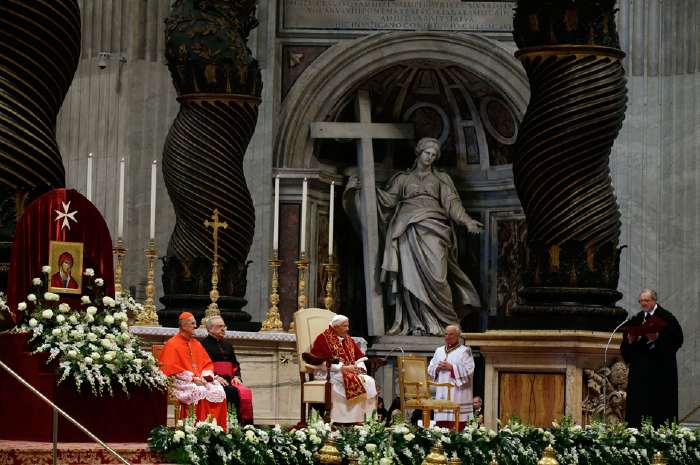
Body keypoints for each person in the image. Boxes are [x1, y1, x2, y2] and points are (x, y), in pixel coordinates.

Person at [345, 137, 483, 336]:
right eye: (427, 153)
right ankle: (416, 323)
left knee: (438, 275)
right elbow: (386, 201)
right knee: (409, 277)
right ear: (419, 153)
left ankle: (445, 322)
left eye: (434, 155)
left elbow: (452, 204)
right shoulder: (402, 179)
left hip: (434, 228)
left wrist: (468, 221)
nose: (430, 158)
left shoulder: (441, 179)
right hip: (406, 230)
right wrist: (363, 190)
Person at [620, 289, 683, 427]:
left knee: (660, 408)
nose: (643, 304)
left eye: (646, 301)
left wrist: (658, 338)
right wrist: (630, 341)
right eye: (641, 301)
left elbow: (678, 340)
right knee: (638, 408)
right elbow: (626, 348)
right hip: (640, 372)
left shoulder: (667, 318)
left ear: (654, 301)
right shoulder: (636, 319)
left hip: (660, 371)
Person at [159, 312, 228, 429]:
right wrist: (192, 378)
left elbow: (207, 364)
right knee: (199, 391)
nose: (195, 326)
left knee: (219, 390)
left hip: (200, 379)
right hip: (181, 381)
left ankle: (217, 429)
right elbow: (170, 368)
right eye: (192, 323)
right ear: (184, 326)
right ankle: (196, 429)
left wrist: (205, 376)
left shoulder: (196, 344)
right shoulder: (172, 344)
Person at [309, 314, 377, 423]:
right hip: (329, 373)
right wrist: (342, 368)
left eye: (347, 326)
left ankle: (364, 419)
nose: (348, 329)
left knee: (369, 381)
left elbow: (359, 357)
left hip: (348, 372)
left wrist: (359, 368)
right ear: (336, 327)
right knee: (347, 380)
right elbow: (319, 361)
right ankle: (342, 420)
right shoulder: (323, 339)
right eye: (345, 326)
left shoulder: (348, 339)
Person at [201, 316, 254, 425]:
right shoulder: (203, 345)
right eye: (220, 326)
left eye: (224, 326)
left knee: (245, 392)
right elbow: (203, 366)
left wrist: (236, 377)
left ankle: (246, 426)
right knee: (231, 391)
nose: (223, 329)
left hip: (230, 380)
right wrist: (215, 377)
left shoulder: (228, 345)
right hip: (213, 380)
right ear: (210, 329)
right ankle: (229, 424)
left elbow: (235, 365)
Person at [428, 324, 475, 429]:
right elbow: (430, 368)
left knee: (457, 425)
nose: (447, 337)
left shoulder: (465, 351)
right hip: (442, 392)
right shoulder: (439, 351)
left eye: (451, 334)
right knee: (441, 426)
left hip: (458, 393)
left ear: (458, 335)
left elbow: (469, 370)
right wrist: (437, 368)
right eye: (446, 334)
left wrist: (452, 368)